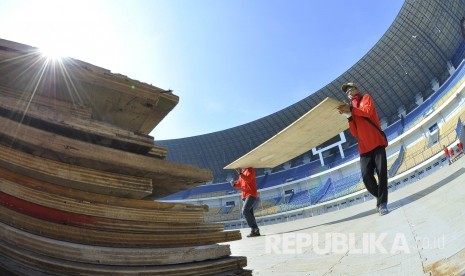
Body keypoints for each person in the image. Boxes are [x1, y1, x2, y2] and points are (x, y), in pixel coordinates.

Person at [337, 83, 389, 216]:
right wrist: (349, 117)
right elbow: (354, 132)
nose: (348, 92)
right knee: (366, 177)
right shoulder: (351, 109)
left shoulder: (366, 98)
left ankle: (382, 203)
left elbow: (366, 112)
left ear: (357, 90)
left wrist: (351, 110)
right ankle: (380, 197)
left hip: (377, 142)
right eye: (346, 91)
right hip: (364, 148)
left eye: (350, 89)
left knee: (382, 173)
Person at [230, 167, 260, 237]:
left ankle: (254, 228)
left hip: (251, 194)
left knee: (245, 211)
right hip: (245, 196)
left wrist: (240, 173)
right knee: (250, 214)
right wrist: (234, 184)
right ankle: (255, 231)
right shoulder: (242, 173)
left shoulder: (250, 170)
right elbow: (240, 184)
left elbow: (249, 179)